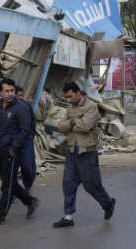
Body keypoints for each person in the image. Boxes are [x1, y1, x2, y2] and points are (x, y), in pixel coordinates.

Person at [53, 82, 116, 228]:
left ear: (78, 93)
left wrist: (73, 123)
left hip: (87, 151)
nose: (68, 100)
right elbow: (61, 126)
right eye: (66, 97)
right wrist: (74, 121)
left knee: (91, 185)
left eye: (70, 96)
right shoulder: (70, 109)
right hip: (72, 150)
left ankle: (108, 203)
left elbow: (86, 126)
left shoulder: (91, 106)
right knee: (68, 184)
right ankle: (68, 217)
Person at [0, 78, 39, 227]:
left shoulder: (21, 107)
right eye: (7, 91)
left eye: (12, 91)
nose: (10, 94)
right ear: (0, 92)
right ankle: (30, 201)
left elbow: (25, 130)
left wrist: (13, 149)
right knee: (11, 183)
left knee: (7, 185)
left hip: (12, 152)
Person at [15, 85, 37, 194]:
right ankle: (14, 190)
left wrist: (31, 135)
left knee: (28, 166)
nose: (20, 97)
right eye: (18, 95)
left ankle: (27, 186)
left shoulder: (27, 106)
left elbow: (33, 120)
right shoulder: (8, 107)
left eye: (22, 95)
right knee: (12, 168)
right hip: (13, 140)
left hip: (26, 140)